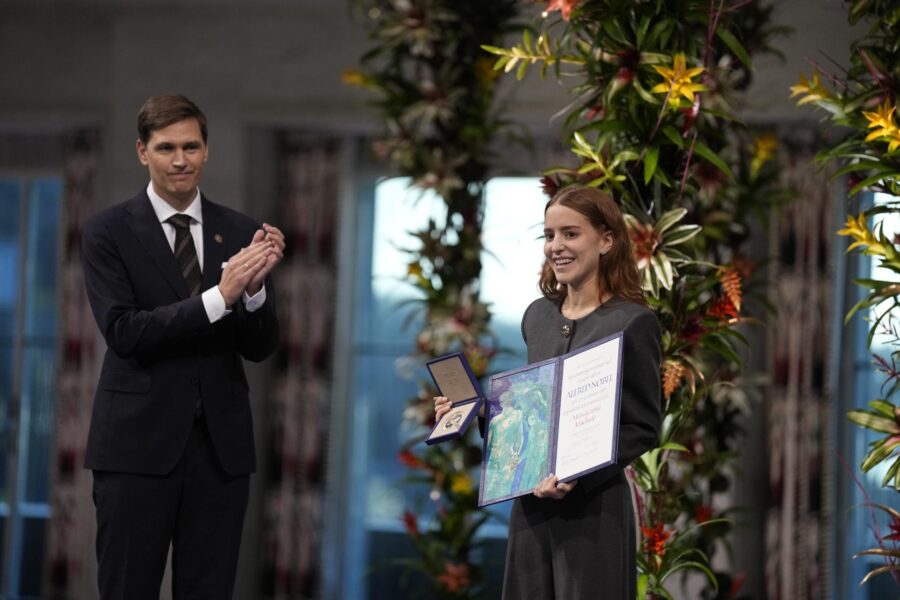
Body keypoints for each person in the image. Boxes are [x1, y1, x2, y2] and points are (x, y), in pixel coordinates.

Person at [81, 93, 284, 599]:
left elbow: (259, 348)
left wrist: (255, 292)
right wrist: (220, 297)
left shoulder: (240, 231)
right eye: (166, 147)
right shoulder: (107, 231)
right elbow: (124, 332)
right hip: (135, 449)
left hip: (220, 453)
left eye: (191, 147)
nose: (180, 160)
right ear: (142, 152)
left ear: (206, 151)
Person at [435, 185, 661, 598]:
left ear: (606, 240)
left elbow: (642, 427)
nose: (556, 246)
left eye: (570, 234)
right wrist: (480, 412)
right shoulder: (537, 316)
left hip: (594, 513)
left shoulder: (633, 322)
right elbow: (535, 409)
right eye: (549, 235)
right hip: (531, 508)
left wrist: (578, 475)